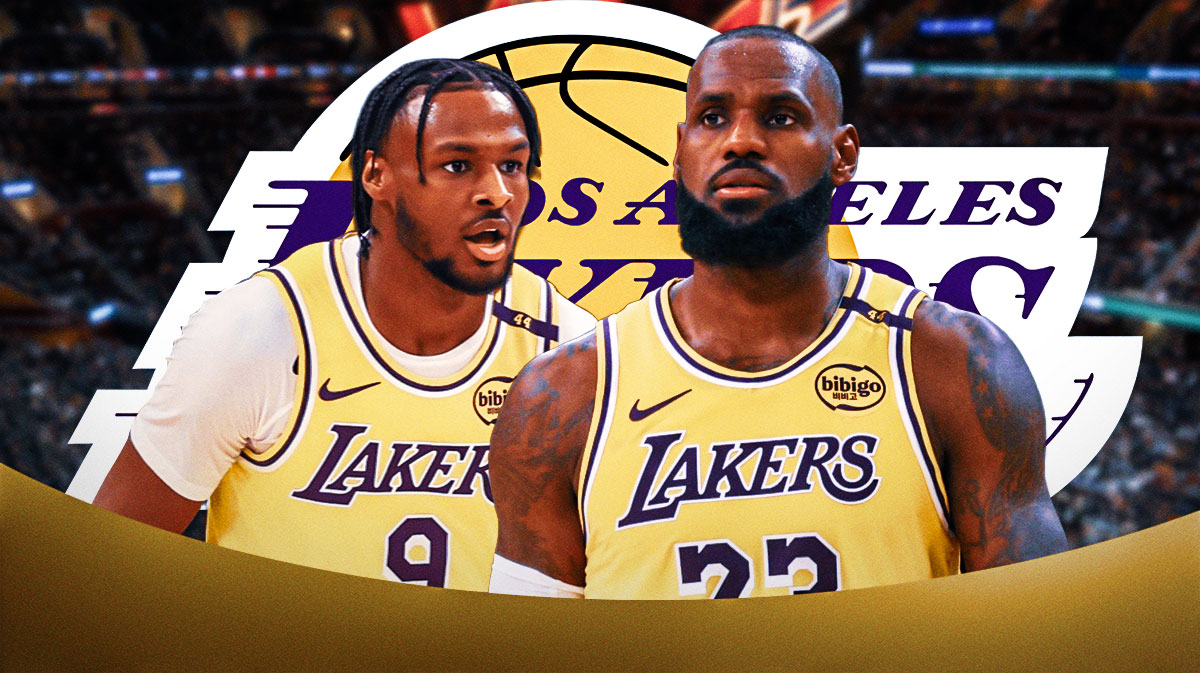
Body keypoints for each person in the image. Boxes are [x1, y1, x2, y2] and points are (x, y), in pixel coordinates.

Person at [487, 27, 1068, 599]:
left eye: (780, 117)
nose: (740, 141)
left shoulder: (949, 362)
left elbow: (1036, 631)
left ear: (843, 155)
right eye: (713, 118)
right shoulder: (562, 395)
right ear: (679, 153)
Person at [92, 58, 595, 590]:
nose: (497, 192)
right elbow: (109, 566)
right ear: (376, 174)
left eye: (513, 166)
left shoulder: (565, 350)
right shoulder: (259, 331)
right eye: (458, 166)